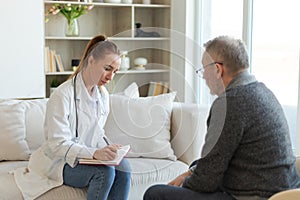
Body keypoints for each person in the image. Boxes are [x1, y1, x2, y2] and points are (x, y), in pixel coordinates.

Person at [143, 35, 300, 200]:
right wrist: (190, 173)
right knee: (195, 165)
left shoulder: (229, 103)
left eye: (204, 69)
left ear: (218, 69)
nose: (203, 76)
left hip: (254, 196)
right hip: (284, 188)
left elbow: (206, 181)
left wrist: (185, 183)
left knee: (155, 194)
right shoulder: (263, 91)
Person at [14, 35, 131, 200]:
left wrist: (109, 148)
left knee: (124, 168)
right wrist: (95, 153)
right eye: (107, 68)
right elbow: (58, 144)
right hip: (58, 161)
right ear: (91, 61)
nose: (111, 77)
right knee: (104, 173)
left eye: (115, 71)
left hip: (85, 157)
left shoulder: (103, 95)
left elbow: (95, 131)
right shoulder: (63, 95)